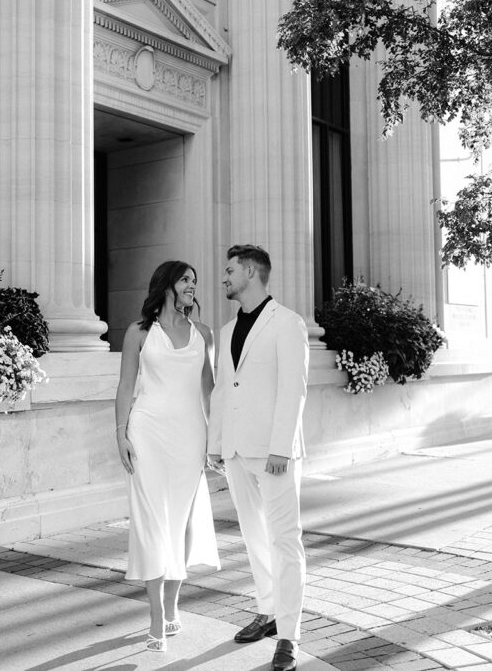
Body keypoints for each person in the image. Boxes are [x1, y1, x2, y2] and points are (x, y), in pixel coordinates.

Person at [207, 245, 309, 671]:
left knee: (284, 541)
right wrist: (216, 443)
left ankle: (288, 635)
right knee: (253, 536)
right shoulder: (227, 329)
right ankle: (267, 611)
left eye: (230, 270)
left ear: (250, 271)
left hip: (273, 453)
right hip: (235, 450)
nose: (224, 277)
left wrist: (281, 448)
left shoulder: (288, 323)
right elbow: (222, 387)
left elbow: (293, 388)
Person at [114, 260, 221, 653]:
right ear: (166, 285)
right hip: (147, 434)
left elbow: (209, 392)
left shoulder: (204, 334)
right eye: (185, 279)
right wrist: (120, 433)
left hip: (190, 436)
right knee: (151, 522)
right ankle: (157, 614)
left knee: (183, 523)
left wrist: (216, 440)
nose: (193, 285)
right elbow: (125, 385)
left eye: (195, 280)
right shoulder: (139, 332)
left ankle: (173, 602)